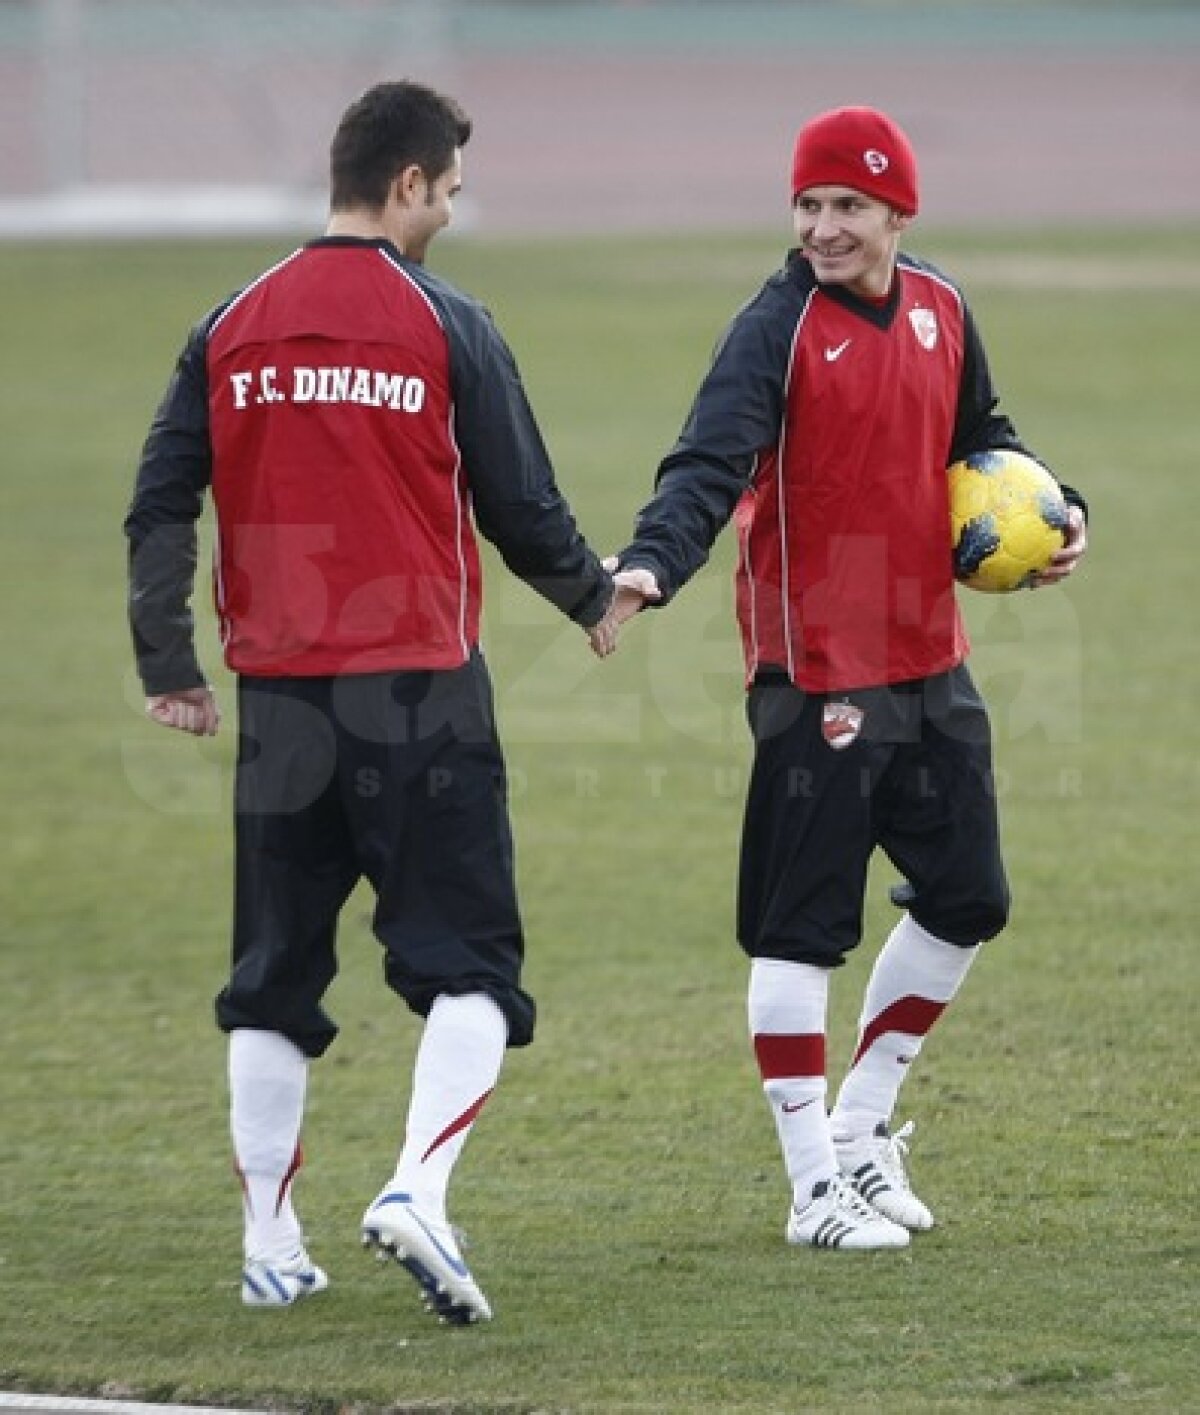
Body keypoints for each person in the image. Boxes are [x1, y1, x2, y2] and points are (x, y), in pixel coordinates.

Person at [125, 80, 616, 1321]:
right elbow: (521, 503)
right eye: (446, 190)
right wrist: (592, 594)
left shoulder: (230, 325)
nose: (449, 210)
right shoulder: (448, 321)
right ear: (406, 183)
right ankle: (418, 1191)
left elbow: (160, 501)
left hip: (278, 696)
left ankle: (270, 1244)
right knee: (472, 967)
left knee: (273, 972)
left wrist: (169, 663)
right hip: (420, 688)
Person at [601, 106, 1087, 1250]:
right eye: (809, 205)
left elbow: (984, 436)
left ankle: (862, 1127)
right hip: (814, 667)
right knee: (802, 928)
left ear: (897, 212)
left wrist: (1063, 511)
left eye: (849, 207)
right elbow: (706, 462)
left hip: (930, 656)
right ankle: (813, 1187)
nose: (823, 226)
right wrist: (652, 562)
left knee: (969, 897)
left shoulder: (942, 306)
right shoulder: (773, 327)